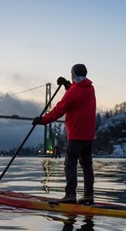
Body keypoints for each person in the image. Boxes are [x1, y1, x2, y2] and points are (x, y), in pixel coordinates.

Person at [33, 64, 96, 205]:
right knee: (87, 165)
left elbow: (59, 110)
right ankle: (88, 196)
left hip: (76, 134)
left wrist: (42, 120)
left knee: (70, 163)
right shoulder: (90, 88)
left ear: (73, 74)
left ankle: (70, 195)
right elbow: (77, 94)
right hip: (89, 135)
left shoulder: (73, 92)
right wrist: (68, 85)